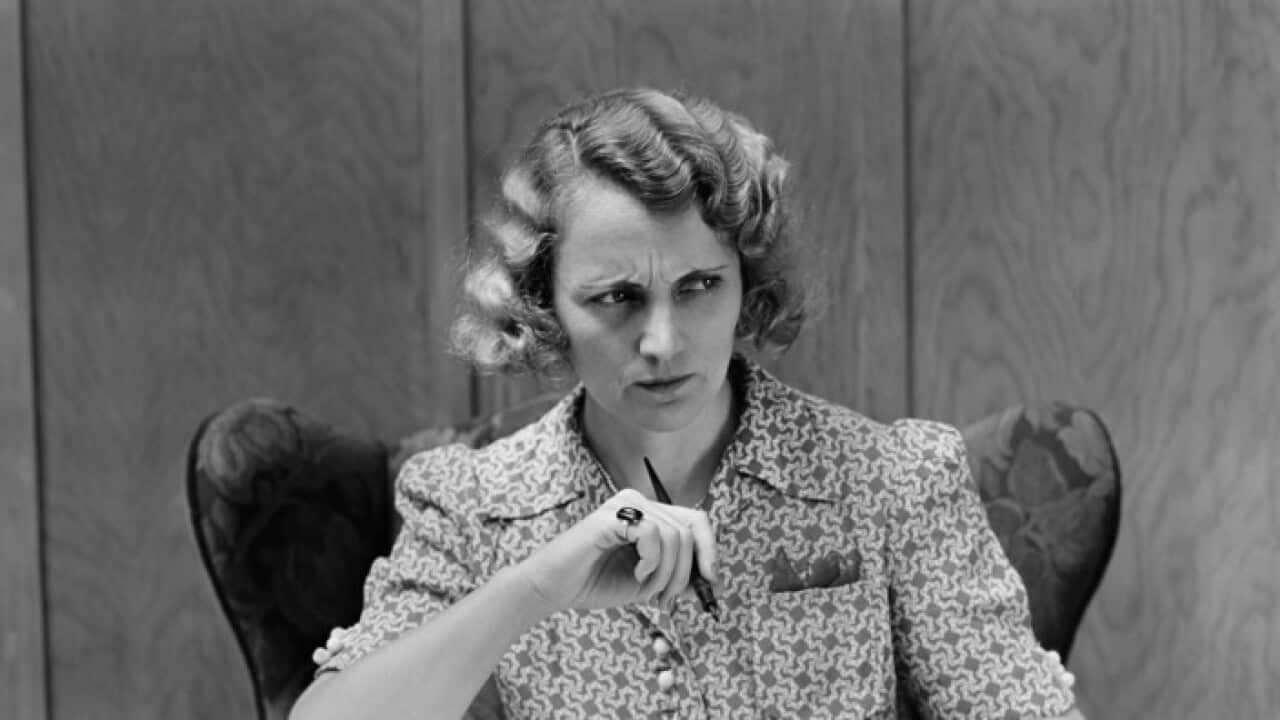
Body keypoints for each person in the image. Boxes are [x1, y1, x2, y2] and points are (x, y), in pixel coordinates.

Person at [289, 87, 1084, 720]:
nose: (663, 342)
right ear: (544, 309)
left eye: (699, 286)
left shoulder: (893, 482)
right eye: (616, 298)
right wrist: (536, 588)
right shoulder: (470, 506)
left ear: (747, 285)